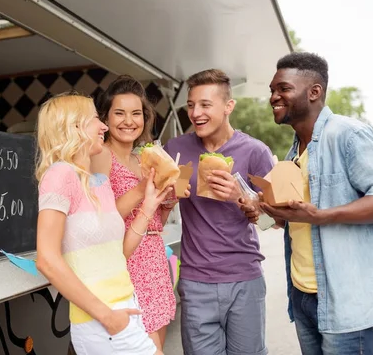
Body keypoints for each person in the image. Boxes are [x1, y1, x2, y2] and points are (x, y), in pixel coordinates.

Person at [261, 52, 373, 355]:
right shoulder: (296, 149)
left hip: (343, 299)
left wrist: (323, 216)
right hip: (303, 295)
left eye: (283, 88)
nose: (274, 97)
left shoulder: (348, 134)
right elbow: (301, 218)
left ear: (314, 92)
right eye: (272, 90)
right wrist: (267, 213)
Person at [34, 92, 171, 355]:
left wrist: (149, 205)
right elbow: (47, 260)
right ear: (75, 127)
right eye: (97, 119)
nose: (104, 127)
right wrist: (108, 317)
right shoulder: (59, 175)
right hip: (102, 323)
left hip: (127, 309)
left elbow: (118, 255)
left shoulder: (99, 182)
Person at [164, 69, 273, 355]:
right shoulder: (176, 150)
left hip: (244, 279)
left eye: (205, 105)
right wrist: (166, 197)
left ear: (228, 107)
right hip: (195, 280)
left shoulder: (255, 152)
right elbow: (162, 207)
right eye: (190, 105)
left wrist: (243, 195)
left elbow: (274, 220)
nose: (195, 113)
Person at [91, 75, 178, 351]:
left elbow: (155, 223)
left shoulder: (143, 158)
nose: (128, 121)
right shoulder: (101, 155)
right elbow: (101, 219)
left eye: (136, 113)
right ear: (105, 117)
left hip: (154, 261)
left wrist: (167, 203)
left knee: (157, 345)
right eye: (119, 113)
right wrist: (142, 189)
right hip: (127, 265)